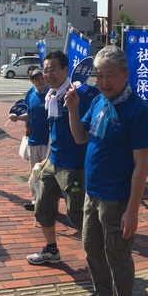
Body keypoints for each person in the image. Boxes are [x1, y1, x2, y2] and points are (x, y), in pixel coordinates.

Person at [65, 45, 148, 296]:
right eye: (99, 75)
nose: (103, 81)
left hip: (116, 199)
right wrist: (72, 109)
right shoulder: (99, 101)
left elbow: (141, 165)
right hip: (92, 193)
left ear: (125, 75)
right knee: (92, 248)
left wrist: (133, 210)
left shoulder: (137, 110)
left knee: (117, 255)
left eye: (110, 75)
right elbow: (81, 138)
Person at [26, 50, 98, 265]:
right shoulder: (52, 97)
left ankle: (99, 251)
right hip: (53, 162)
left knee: (76, 213)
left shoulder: (79, 96)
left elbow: (85, 134)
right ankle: (51, 250)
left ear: (66, 70)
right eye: (45, 70)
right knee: (42, 208)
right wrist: (47, 158)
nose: (48, 74)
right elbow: (54, 132)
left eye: (53, 69)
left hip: (74, 165)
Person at [9, 67, 50, 210]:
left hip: (49, 141)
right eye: (36, 78)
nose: (40, 80)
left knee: (48, 175)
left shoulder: (53, 94)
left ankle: (50, 204)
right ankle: (35, 201)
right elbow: (29, 114)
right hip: (34, 139)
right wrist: (17, 118)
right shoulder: (30, 93)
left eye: (41, 77)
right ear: (32, 81)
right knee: (34, 173)